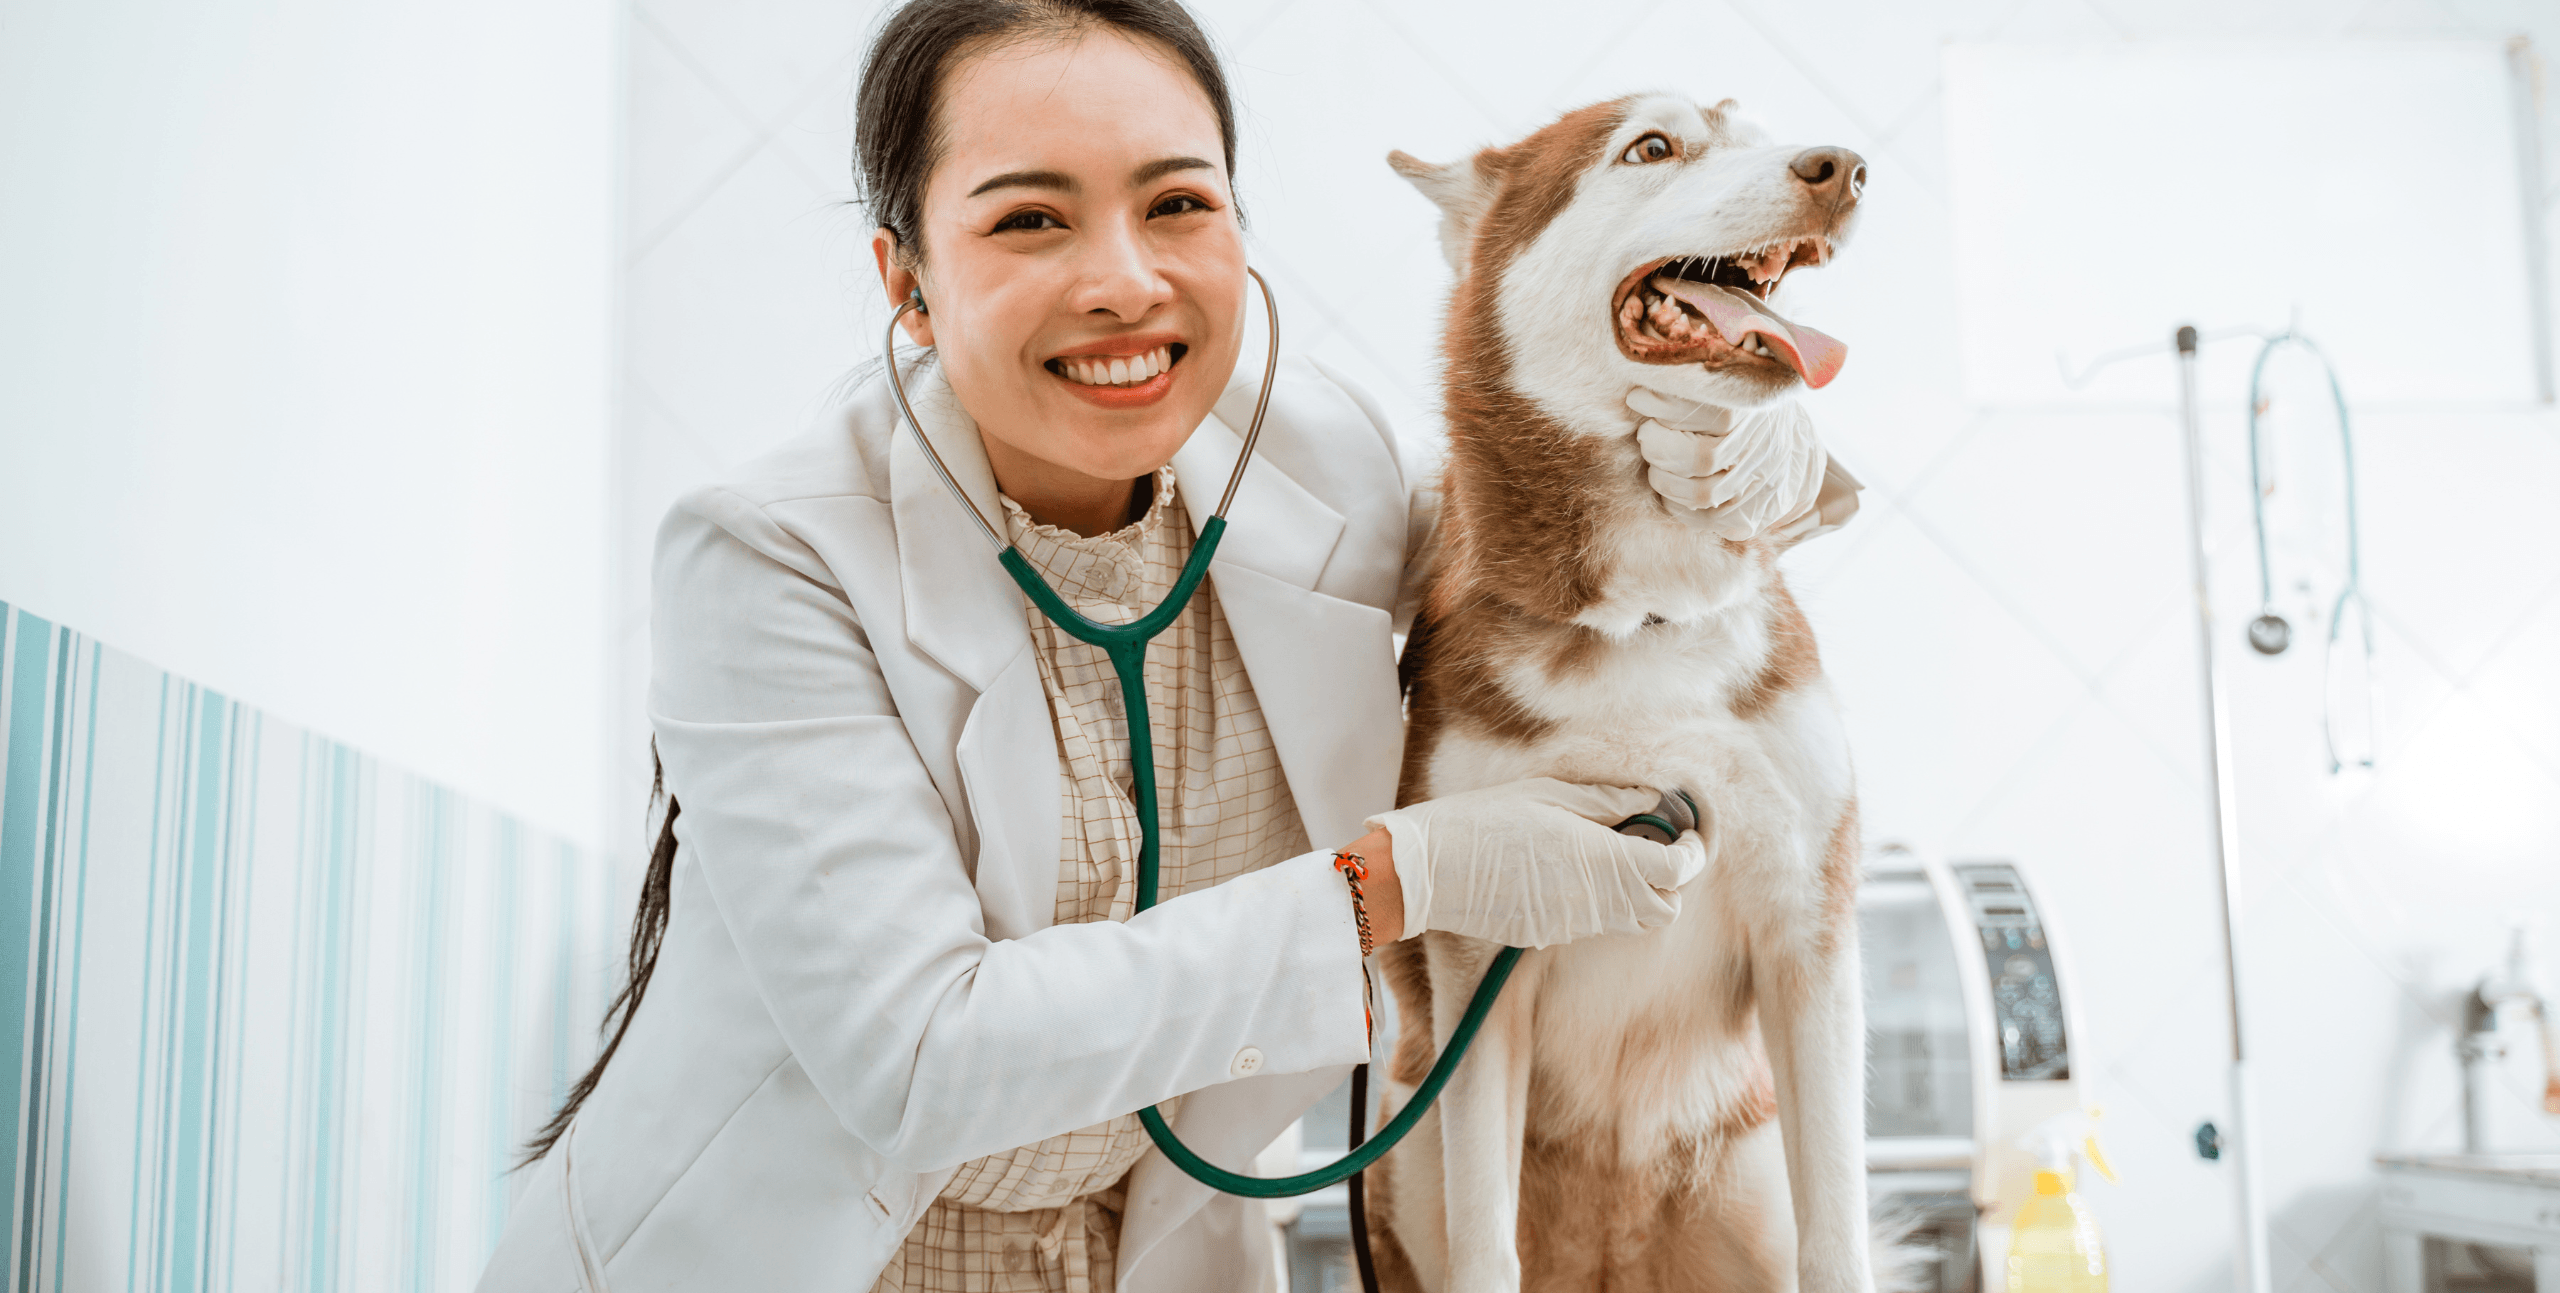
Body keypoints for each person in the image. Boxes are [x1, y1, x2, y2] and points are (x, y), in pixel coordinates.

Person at [477, 2, 1858, 1290]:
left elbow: (1563, 532)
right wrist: (1395, 881)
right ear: (906, 276)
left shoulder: (1322, 469)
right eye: (1029, 220)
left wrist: (1757, 433)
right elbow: (921, 1063)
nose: (1125, 282)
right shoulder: (768, 557)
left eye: (1179, 204)